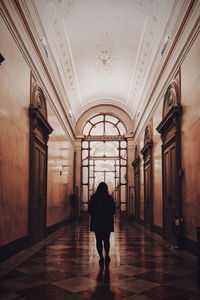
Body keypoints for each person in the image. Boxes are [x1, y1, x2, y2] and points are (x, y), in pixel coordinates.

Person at [88, 182, 116, 265]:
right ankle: (107, 255)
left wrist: (97, 215)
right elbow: (113, 210)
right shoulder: (109, 198)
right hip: (107, 222)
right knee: (106, 240)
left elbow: (90, 211)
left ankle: (101, 257)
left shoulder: (93, 198)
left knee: (99, 240)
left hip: (97, 222)